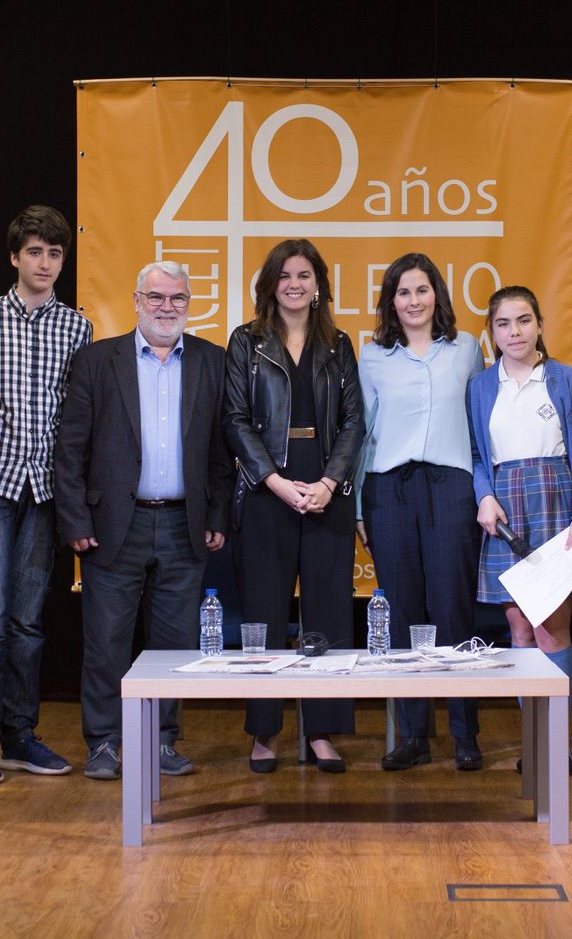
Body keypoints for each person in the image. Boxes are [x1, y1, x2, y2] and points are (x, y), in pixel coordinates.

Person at [55, 260, 235, 781]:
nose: (166, 308)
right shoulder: (96, 361)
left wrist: (217, 512)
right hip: (113, 525)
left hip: (185, 524)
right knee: (106, 640)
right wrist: (74, 520)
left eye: (177, 299)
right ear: (136, 301)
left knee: (174, 645)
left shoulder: (212, 362)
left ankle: (161, 741)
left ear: (190, 305)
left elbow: (223, 454)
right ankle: (105, 744)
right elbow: (70, 451)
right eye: (156, 297)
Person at [223, 239, 364, 774]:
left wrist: (329, 483)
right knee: (263, 612)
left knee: (327, 612)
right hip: (268, 493)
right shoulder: (247, 341)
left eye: (304, 275)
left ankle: (321, 731)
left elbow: (354, 421)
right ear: (270, 284)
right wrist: (275, 481)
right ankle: (264, 733)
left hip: (326, 491)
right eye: (284, 275)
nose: (294, 284)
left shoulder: (339, 343)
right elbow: (234, 419)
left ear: (318, 284)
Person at [0, 205, 92, 781]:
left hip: (44, 495)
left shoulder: (77, 327)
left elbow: (76, 420)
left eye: (55, 253)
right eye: (34, 251)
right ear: (15, 257)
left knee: (29, 623)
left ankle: (20, 734)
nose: (45, 262)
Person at [356, 253, 486, 772]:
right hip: (389, 488)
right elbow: (363, 434)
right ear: (391, 300)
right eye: (403, 292)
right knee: (405, 610)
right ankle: (413, 734)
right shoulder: (372, 357)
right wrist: (357, 513)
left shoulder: (467, 349)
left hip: (452, 487)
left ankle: (464, 733)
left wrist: (484, 491)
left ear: (438, 296)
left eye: (422, 290)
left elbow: (479, 425)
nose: (413, 301)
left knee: (453, 607)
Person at [466, 285, 572, 770]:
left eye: (523, 321)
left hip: (555, 502)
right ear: (491, 332)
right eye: (503, 324)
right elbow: (478, 455)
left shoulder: (563, 380)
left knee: (550, 630)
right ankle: (536, 741)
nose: (513, 332)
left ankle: (556, 742)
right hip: (505, 508)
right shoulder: (480, 386)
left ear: (539, 324)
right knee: (518, 628)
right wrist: (484, 496)